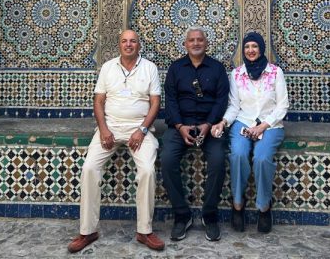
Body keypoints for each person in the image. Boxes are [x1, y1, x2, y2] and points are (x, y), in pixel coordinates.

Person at [67, 30, 165, 253]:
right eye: (124, 41)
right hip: (109, 127)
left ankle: (144, 231)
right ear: (119, 45)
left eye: (133, 41)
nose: (128, 45)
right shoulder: (108, 67)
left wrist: (142, 130)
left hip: (139, 129)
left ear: (139, 45)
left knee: (148, 170)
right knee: (90, 168)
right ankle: (88, 230)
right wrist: (103, 129)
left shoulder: (149, 68)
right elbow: (99, 101)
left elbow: (155, 103)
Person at [211, 31, 289, 234]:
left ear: (261, 48)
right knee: (237, 154)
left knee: (262, 158)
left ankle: (264, 207)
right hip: (243, 122)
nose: (251, 50)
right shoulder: (237, 74)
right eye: (247, 47)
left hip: (270, 125)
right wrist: (224, 122)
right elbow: (234, 106)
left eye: (254, 46)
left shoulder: (275, 72)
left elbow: (282, 106)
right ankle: (238, 204)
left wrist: (263, 125)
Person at [162, 26, 229, 242]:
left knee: (218, 161)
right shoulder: (176, 68)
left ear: (206, 43)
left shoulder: (217, 69)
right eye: (192, 40)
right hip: (180, 126)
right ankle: (182, 215)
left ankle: (210, 216)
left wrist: (208, 125)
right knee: (167, 159)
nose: (196, 43)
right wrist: (180, 127)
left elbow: (221, 100)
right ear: (185, 44)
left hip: (208, 127)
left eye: (200, 40)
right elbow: (170, 101)